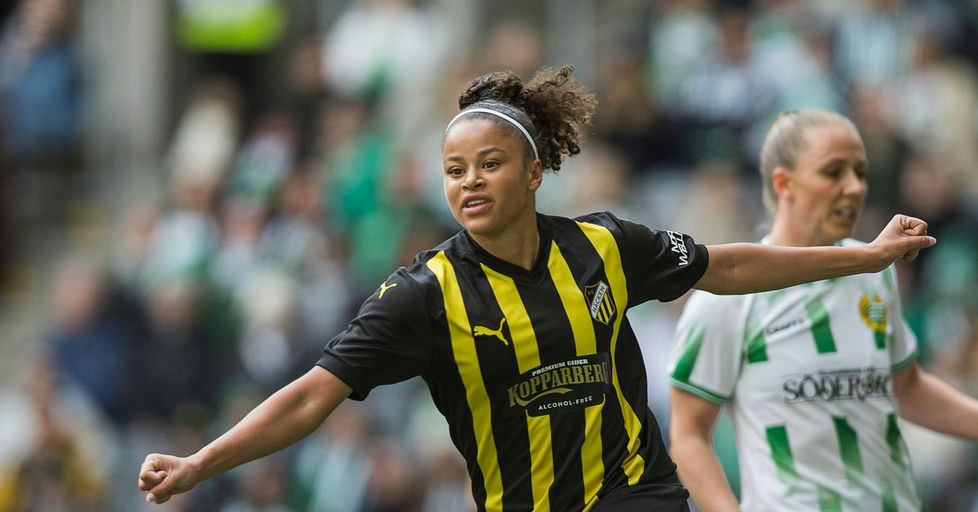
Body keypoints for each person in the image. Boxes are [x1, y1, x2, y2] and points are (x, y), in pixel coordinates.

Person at [138, 68, 935, 512]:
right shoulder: (425, 292)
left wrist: (860, 259)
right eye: (454, 170)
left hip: (639, 495)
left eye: (488, 164)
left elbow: (727, 266)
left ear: (534, 171)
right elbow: (312, 397)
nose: (469, 181)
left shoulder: (605, 245)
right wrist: (204, 461)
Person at [667, 108, 978, 511]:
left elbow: (906, 388)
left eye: (860, 172)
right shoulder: (728, 297)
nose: (854, 187)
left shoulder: (875, 272)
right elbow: (688, 435)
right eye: (834, 172)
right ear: (784, 183)